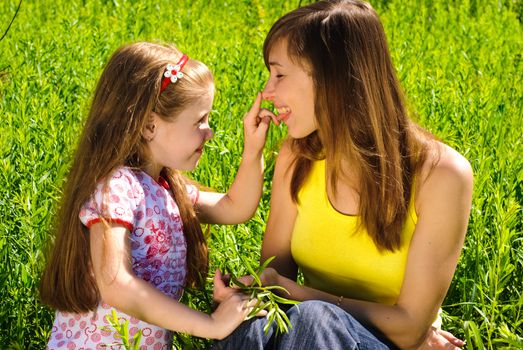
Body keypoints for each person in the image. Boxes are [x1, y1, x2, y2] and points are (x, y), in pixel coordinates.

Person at [214, 0, 473, 349]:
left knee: (315, 319)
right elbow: (274, 285)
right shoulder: (296, 155)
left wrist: (297, 294)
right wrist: (244, 294)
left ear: (332, 76)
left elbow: (411, 329)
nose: (267, 93)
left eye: (279, 74)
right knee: (251, 325)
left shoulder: (442, 175)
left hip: (384, 343)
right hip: (310, 337)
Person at [39, 41, 273, 349]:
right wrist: (211, 325)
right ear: (150, 126)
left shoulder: (166, 189)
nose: (209, 131)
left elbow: (234, 207)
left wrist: (253, 149)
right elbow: (116, 284)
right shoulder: (118, 187)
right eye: (199, 121)